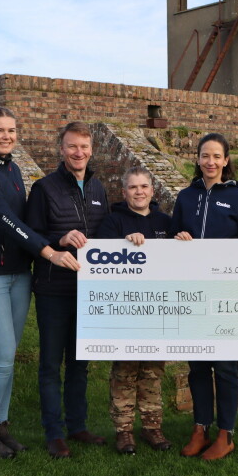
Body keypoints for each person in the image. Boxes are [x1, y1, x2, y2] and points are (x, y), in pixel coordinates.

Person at [0, 107, 80, 459]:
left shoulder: (11, 169)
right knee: (1, 358)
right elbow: (5, 221)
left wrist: (56, 239)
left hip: (17, 277)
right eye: (0, 130)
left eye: (12, 130)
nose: (7, 136)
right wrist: (49, 253)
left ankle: (1, 426)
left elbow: (28, 222)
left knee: (6, 357)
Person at [170, 133, 238, 461]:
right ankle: (200, 428)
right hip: (192, 294)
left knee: (225, 367)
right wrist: (176, 237)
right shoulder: (185, 197)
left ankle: (226, 434)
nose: (210, 162)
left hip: (225, 295)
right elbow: (171, 240)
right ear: (197, 159)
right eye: (204, 156)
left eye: (216, 156)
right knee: (198, 367)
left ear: (225, 160)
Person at [26, 121, 110, 459]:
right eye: (72, 147)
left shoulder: (99, 188)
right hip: (53, 289)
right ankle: (54, 432)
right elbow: (30, 236)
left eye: (84, 147)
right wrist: (58, 240)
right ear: (62, 150)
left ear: (91, 150)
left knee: (79, 363)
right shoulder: (44, 188)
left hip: (89, 291)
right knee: (50, 364)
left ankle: (77, 425)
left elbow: (107, 233)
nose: (79, 153)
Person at [95, 166, 173, 455]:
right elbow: (100, 261)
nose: (139, 192)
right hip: (125, 310)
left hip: (159, 309)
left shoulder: (166, 221)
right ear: (124, 191)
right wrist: (123, 245)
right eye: (133, 187)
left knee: (153, 371)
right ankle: (124, 431)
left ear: (152, 190)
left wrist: (185, 243)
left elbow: (181, 260)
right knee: (125, 372)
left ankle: (153, 428)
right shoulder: (113, 222)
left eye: (144, 186)